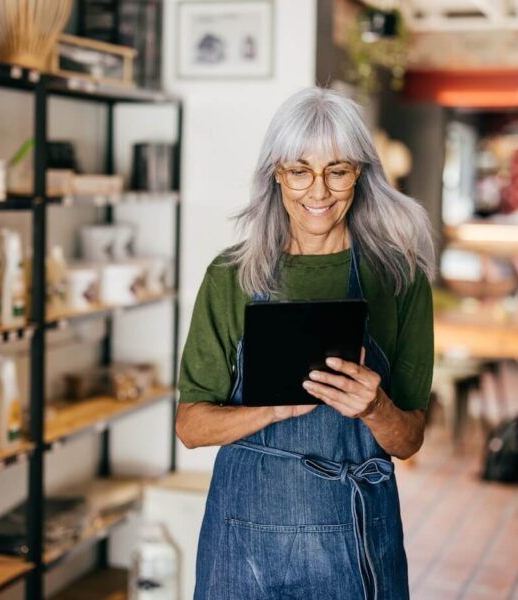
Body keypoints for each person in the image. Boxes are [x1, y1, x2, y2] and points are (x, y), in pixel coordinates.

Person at [175, 86, 436, 600]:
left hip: (357, 534)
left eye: (336, 170)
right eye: (300, 170)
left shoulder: (400, 281)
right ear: (277, 173)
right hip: (242, 540)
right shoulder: (232, 277)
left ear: (359, 174)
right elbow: (190, 426)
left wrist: (375, 407)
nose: (318, 191)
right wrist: (272, 411)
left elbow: (407, 442)